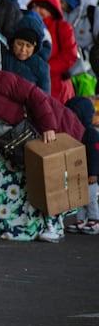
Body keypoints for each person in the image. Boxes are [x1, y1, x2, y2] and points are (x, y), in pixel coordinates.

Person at [0, 70, 84, 242]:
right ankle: (13, 226)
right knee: (4, 175)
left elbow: (33, 94)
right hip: (12, 142)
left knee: (48, 176)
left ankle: (52, 226)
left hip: (39, 129)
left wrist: (48, 126)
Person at [28, 0, 79, 104]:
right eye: (37, 6)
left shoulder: (62, 27)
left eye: (44, 8)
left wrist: (44, 69)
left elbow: (70, 55)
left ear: (53, 10)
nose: (39, 10)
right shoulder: (27, 24)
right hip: (34, 85)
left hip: (58, 89)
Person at [64, 97, 99, 235]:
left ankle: (94, 219)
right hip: (79, 173)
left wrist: (94, 173)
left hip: (91, 175)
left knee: (90, 199)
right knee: (78, 198)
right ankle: (80, 219)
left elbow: (95, 153)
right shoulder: (74, 131)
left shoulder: (90, 134)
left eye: (75, 113)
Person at [1, 21, 51, 94]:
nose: (23, 50)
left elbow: (44, 97)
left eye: (28, 46)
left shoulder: (41, 67)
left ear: (35, 47)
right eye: (19, 44)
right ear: (13, 42)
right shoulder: (3, 56)